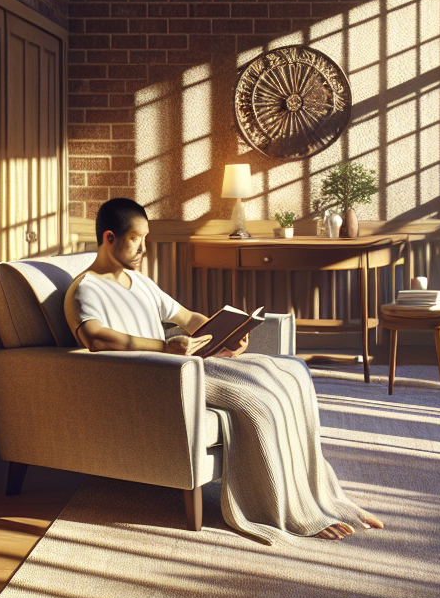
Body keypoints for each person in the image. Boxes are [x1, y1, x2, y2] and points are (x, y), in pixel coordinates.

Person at [63, 197, 383, 543]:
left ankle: (321, 496)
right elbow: (95, 338)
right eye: (135, 239)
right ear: (109, 238)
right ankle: (285, 509)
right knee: (258, 402)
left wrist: (225, 335)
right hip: (156, 377)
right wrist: (164, 347)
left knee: (290, 376)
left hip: (181, 365)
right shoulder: (86, 288)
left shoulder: (138, 281)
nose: (144, 247)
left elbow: (187, 318)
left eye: (146, 237)